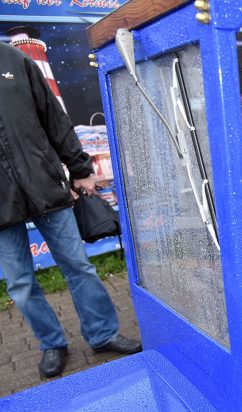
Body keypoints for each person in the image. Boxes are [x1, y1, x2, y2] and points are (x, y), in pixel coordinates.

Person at [0, 42, 142, 378]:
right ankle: (53, 344)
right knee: (20, 283)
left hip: (45, 187)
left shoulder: (13, 60)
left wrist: (79, 167)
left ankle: (103, 333)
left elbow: (53, 116)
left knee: (79, 267)